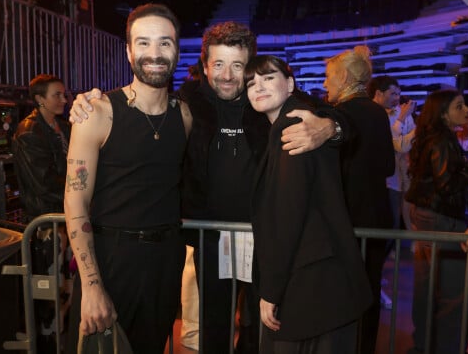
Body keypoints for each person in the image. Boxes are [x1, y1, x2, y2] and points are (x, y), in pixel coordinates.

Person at [69, 20, 345, 354]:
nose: (227, 75)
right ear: (204, 66)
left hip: (266, 239)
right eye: (218, 64)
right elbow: (143, 101)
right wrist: (88, 99)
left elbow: (336, 114)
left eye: (237, 65)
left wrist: (332, 126)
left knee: (262, 327)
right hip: (212, 239)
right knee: (213, 327)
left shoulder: (267, 96)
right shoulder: (187, 102)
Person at [63, 3, 192, 354]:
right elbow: (75, 201)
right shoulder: (98, 112)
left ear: (177, 49)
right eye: (144, 42)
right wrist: (91, 287)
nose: (155, 53)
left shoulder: (185, 115)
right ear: (129, 50)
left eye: (165, 43)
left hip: (165, 262)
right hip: (111, 261)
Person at [245, 54, 372, 354]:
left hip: (313, 284)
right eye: (251, 82)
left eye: (268, 77)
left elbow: (288, 216)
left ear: (290, 84)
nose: (258, 87)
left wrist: (270, 290)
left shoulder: (296, 125)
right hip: (321, 284)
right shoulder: (293, 121)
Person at [405, 89, 468, 354]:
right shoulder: (443, 140)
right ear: (443, 113)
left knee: (429, 287)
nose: (466, 110)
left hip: (428, 217)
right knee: (456, 294)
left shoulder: (433, 138)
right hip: (443, 221)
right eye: (459, 105)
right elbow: (448, 186)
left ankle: (424, 345)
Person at [323, 45, 395, 354]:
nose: (326, 84)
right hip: (376, 217)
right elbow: (388, 166)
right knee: (369, 290)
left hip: (346, 220)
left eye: (329, 77)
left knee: (341, 294)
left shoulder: (338, 115)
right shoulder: (378, 112)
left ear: (344, 78)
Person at [12, 74, 73, 352]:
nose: (64, 99)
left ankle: (65, 340)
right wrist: (82, 195)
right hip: (47, 221)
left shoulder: (62, 126)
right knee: (51, 291)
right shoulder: (29, 131)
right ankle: (49, 344)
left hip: (66, 216)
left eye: (64, 94)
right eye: (57, 95)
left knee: (67, 288)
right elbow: (44, 182)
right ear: (39, 99)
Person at [369, 75, 416, 236]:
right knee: (389, 214)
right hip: (383, 175)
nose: (397, 98)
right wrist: (402, 120)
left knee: (406, 210)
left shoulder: (402, 113)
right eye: (393, 93)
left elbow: (409, 142)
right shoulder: (371, 113)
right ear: (379, 93)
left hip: (403, 170)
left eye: (398, 93)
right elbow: (395, 143)